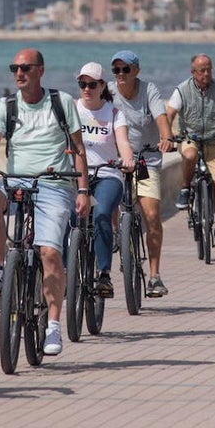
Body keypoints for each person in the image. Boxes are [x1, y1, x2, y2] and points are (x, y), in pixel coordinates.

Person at [0, 47, 90, 357]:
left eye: (25, 67)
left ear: (40, 71)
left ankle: (52, 325)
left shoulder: (61, 103)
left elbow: (78, 149)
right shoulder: (6, 106)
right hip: (16, 180)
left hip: (54, 184)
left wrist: (83, 190)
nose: (18, 73)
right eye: (14, 68)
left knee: (50, 252)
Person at [107, 49, 174, 297]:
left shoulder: (149, 91)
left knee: (152, 215)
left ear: (136, 70)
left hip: (144, 161)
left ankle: (154, 276)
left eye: (126, 69)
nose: (121, 74)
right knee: (107, 197)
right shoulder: (109, 93)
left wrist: (167, 138)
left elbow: (161, 117)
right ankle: (117, 235)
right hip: (116, 160)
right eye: (116, 70)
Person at [167, 54, 215, 248]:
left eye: (209, 69)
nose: (207, 73)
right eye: (202, 70)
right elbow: (170, 113)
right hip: (190, 138)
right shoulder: (182, 90)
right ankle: (185, 189)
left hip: (214, 141)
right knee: (190, 155)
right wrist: (166, 136)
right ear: (193, 72)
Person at [74, 61, 134, 298]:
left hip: (107, 174)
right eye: (82, 84)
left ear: (101, 86)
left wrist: (127, 159)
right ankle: (69, 268)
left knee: (101, 215)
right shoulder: (72, 109)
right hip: (78, 175)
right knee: (69, 216)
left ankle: (104, 274)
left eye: (91, 84)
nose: (86, 89)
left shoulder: (113, 113)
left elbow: (123, 142)